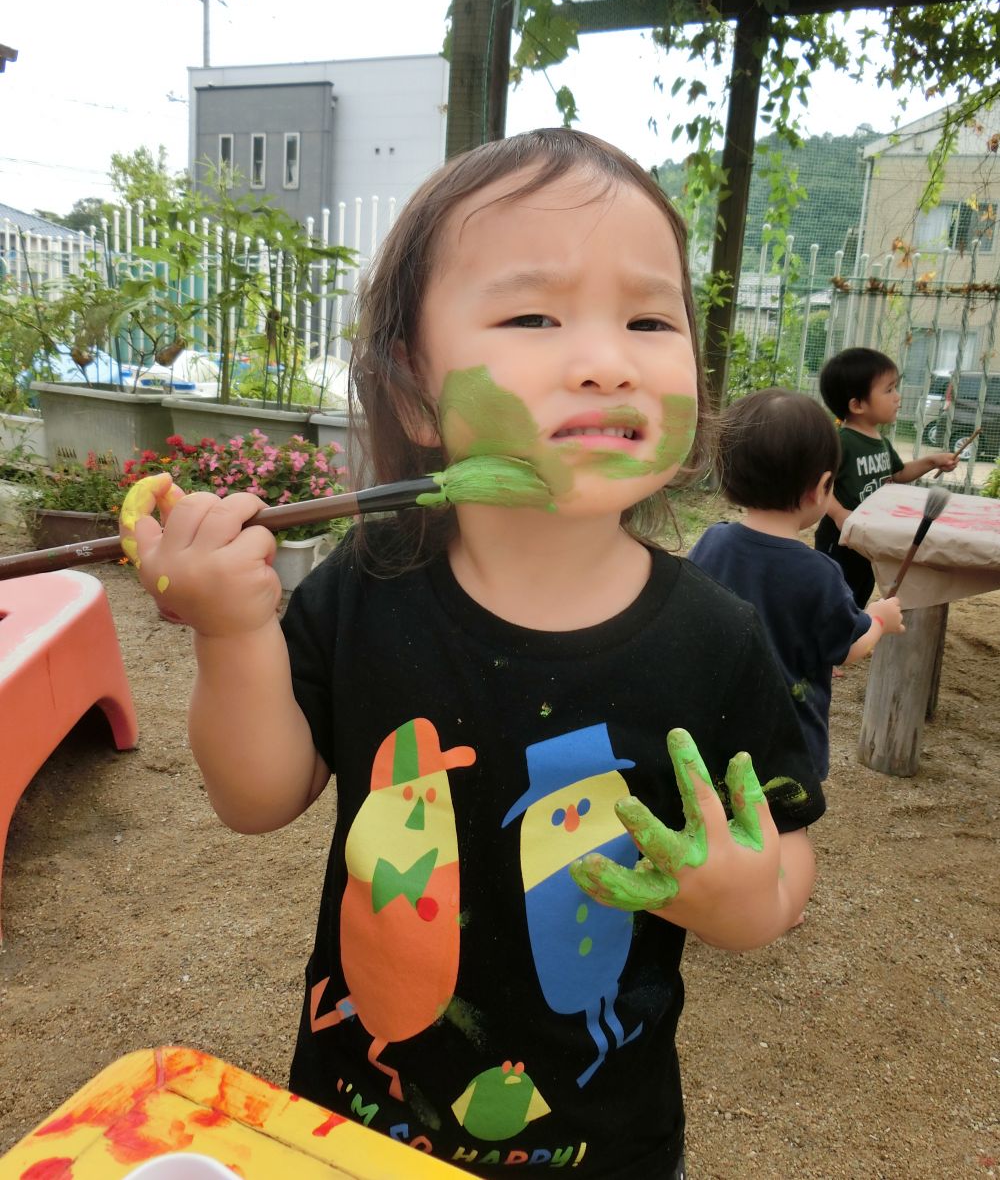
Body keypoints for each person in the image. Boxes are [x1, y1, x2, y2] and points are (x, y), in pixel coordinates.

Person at [128, 129, 826, 1180]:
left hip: (604, 1143)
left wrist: (740, 894)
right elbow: (259, 794)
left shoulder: (716, 638)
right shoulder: (374, 579)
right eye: (534, 315)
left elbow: (785, 854)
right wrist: (232, 633)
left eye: (648, 317)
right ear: (412, 388)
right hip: (357, 1119)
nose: (604, 356)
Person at [688, 388, 905, 780]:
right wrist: (879, 620)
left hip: (710, 730)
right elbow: (848, 648)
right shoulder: (819, 572)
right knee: (783, 831)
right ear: (822, 486)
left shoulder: (711, 542)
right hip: (786, 746)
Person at [814, 347, 959, 608]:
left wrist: (932, 461)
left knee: (860, 590)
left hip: (869, 538)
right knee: (834, 596)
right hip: (840, 540)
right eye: (889, 390)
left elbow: (898, 474)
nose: (897, 397)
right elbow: (823, 484)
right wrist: (838, 514)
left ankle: (850, 640)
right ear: (857, 405)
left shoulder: (878, 441)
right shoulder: (842, 442)